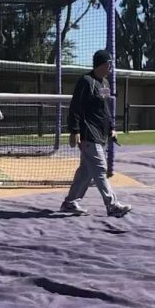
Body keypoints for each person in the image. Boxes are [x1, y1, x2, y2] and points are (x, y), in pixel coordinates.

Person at [60, 49, 131, 217]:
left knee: (85, 171)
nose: (111, 67)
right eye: (109, 64)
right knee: (100, 168)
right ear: (101, 64)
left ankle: (70, 202)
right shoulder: (86, 81)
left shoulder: (104, 84)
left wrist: (111, 127)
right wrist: (75, 130)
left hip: (99, 134)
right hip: (87, 133)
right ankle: (112, 205)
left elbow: (104, 108)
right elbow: (75, 106)